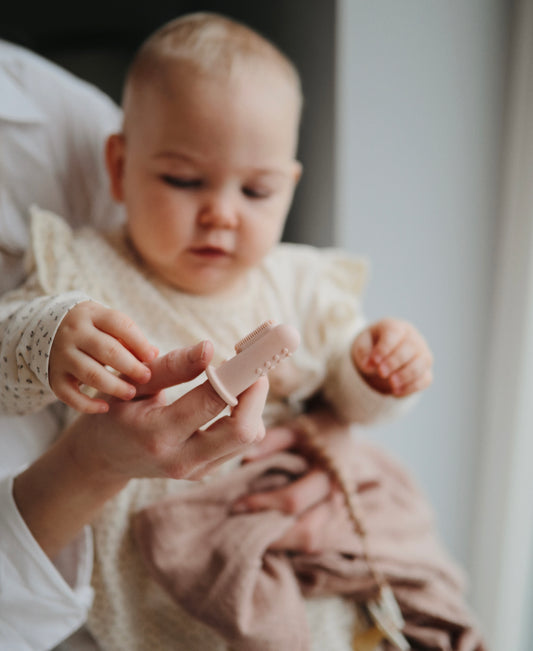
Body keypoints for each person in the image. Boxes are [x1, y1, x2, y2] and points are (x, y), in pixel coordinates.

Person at [0, 14, 482, 651]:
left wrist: (377, 370)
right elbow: (9, 362)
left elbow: (347, 393)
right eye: (183, 180)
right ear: (119, 167)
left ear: (289, 187)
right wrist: (47, 339)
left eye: (256, 190)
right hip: (158, 567)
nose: (221, 213)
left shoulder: (297, 281)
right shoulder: (81, 270)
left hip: (286, 539)